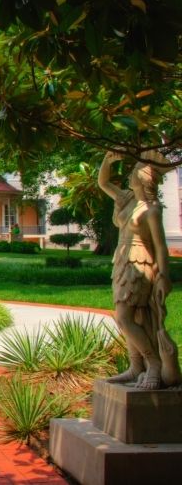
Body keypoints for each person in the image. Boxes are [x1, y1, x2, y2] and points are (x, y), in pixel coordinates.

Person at [99, 151, 182, 389]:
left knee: (124, 318)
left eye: (135, 170)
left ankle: (153, 364)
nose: (130, 174)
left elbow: (161, 248)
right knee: (128, 317)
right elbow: (104, 182)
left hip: (141, 264)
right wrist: (107, 161)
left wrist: (164, 276)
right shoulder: (127, 200)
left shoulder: (151, 210)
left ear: (144, 178)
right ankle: (136, 366)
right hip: (123, 261)